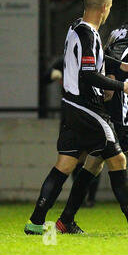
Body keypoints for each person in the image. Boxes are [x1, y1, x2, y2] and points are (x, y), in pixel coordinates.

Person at [24, 0, 128, 235]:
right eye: (109, 8)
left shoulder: (76, 27)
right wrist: (122, 85)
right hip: (86, 107)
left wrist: (119, 64)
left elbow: (96, 60)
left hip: (69, 106)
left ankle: (37, 222)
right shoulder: (89, 34)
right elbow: (89, 74)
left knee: (65, 165)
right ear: (104, 8)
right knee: (119, 159)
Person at [42, 56, 101, 208]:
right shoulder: (64, 61)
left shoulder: (94, 59)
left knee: (92, 158)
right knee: (73, 161)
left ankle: (89, 198)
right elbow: (45, 77)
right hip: (74, 115)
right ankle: (81, 198)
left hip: (88, 113)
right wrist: (55, 74)